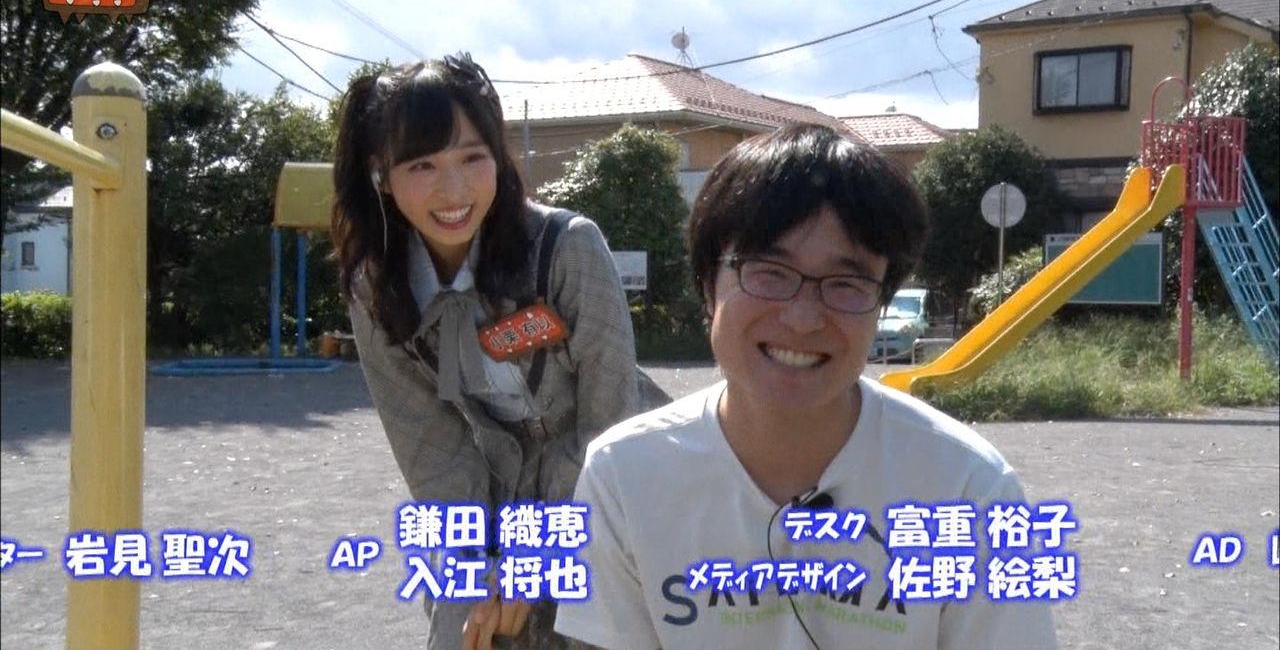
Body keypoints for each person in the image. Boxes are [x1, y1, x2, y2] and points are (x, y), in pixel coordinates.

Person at [555, 124, 1059, 649]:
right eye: (769, 272)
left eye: (846, 284)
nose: (802, 318)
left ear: (881, 303)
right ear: (708, 287)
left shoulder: (968, 486)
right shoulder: (626, 473)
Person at [331, 54, 644, 650]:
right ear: (380, 174)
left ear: (498, 157)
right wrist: (474, 569)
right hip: (494, 499)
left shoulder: (566, 249)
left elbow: (611, 426)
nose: (454, 191)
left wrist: (539, 558)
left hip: (610, 488)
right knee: (466, 620)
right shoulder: (377, 288)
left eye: (472, 158)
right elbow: (433, 453)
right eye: (422, 165)